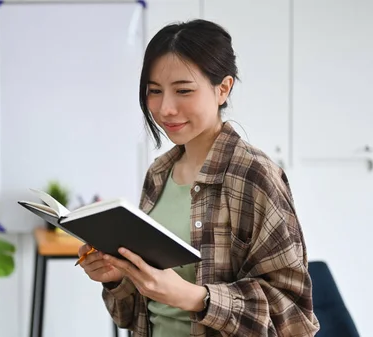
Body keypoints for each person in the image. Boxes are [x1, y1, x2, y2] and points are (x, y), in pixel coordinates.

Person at [77, 19, 320, 337]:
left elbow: (294, 317)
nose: (165, 109)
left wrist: (196, 298)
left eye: (183, 91)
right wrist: (115, 278)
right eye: (154, 91)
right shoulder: (158, 176)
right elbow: (135, 316)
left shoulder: (255, 175)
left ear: (223, 88)